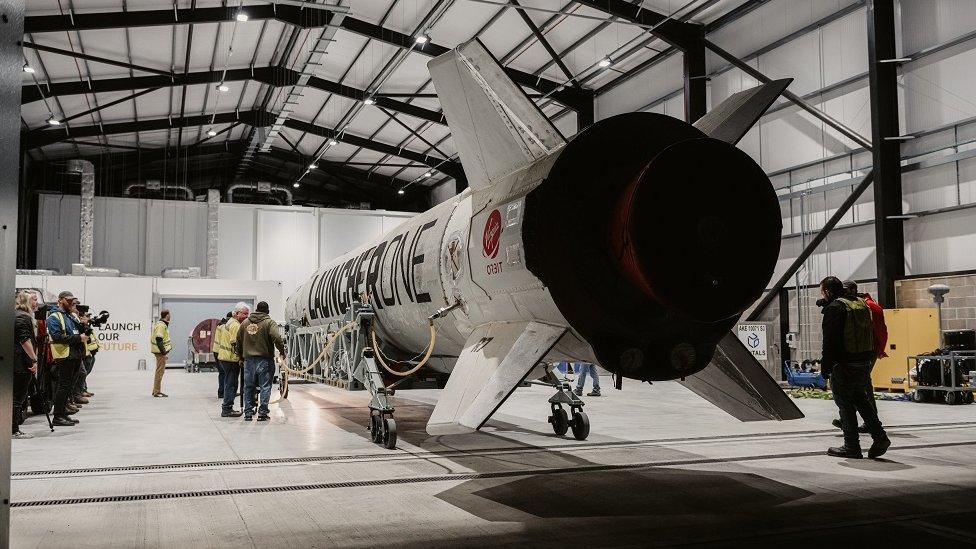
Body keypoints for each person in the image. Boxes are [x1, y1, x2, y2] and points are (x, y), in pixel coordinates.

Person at [819, 276, 890, 459]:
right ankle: (880, 437)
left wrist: (825, 368)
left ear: (827, 291)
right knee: (861, 400)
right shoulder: (860, 304)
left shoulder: (835, 308)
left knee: (845, 404)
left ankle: (851, 446)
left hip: (844, 365)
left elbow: (830, 342)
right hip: (864, 362)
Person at [832, 280, 888, 434]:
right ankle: (871, 424)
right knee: (863, 386)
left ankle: (855, 423)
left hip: (864, 351)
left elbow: (881, 331)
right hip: (865, 351)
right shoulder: (860, 304)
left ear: (852, 290)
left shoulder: (867, 306)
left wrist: (880, 350)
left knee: (856, 387)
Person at [234, 301, 284, 421]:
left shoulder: (245, 323)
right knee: (265, 386)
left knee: (248, 387)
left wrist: (241, 356)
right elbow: (276, 337)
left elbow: (238, 341)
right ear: (267, 311)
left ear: (256, 309)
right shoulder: (269, 322)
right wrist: (282, 351)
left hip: (248, 361)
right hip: (264, 360)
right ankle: (262, 413)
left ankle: (248, 413)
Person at [46, 291, 86, 426]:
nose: (71, 303)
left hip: (74, 355)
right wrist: (78, 338)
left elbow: (79, 331)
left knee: (69, 386)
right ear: (60, 300)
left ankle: (63, 413)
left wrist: (84, 325)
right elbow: (57, 337)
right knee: (63, 386)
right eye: (68, 300)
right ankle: (57, 416)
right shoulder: (54, 317)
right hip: (64, 355)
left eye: (72, 301)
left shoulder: (70, 316)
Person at [13, 291, 39, 439]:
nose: (36, 303)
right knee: (18, 398)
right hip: (21, 363)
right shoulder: (23, 317)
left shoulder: (15, 315)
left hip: (15, 362)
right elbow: (25, 341)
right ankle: (13, 430)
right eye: (34, 300)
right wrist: (34, 359)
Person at [220, 303, 249, 417]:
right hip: (231, 359)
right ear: (237, 313)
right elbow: (234, 343)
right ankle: (227, 409)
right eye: (244, 314)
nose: (247, 316)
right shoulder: (235, 325)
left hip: (226, 358)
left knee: (229, 383)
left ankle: (227, 407)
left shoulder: (231, 322)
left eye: (247, 314)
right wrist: (241, 357)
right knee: (231, 384)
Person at [150, 309, 172, 397]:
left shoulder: (162, 324)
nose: (170, 316)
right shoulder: (161, 325)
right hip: (160, 352)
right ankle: (157, 392)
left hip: (160, 352)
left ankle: (155, 390)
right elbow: (159, 339)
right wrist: (163, 352)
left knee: (159, 371)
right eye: (170, 314)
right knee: (160, 372)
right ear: (167, 315)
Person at [213, 312, 231, 399]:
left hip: (216, 351)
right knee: (225, 373)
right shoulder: (225, 327)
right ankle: (223, 392)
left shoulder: (220, 325)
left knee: (222, 373)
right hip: (221, 352)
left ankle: (221, 391)